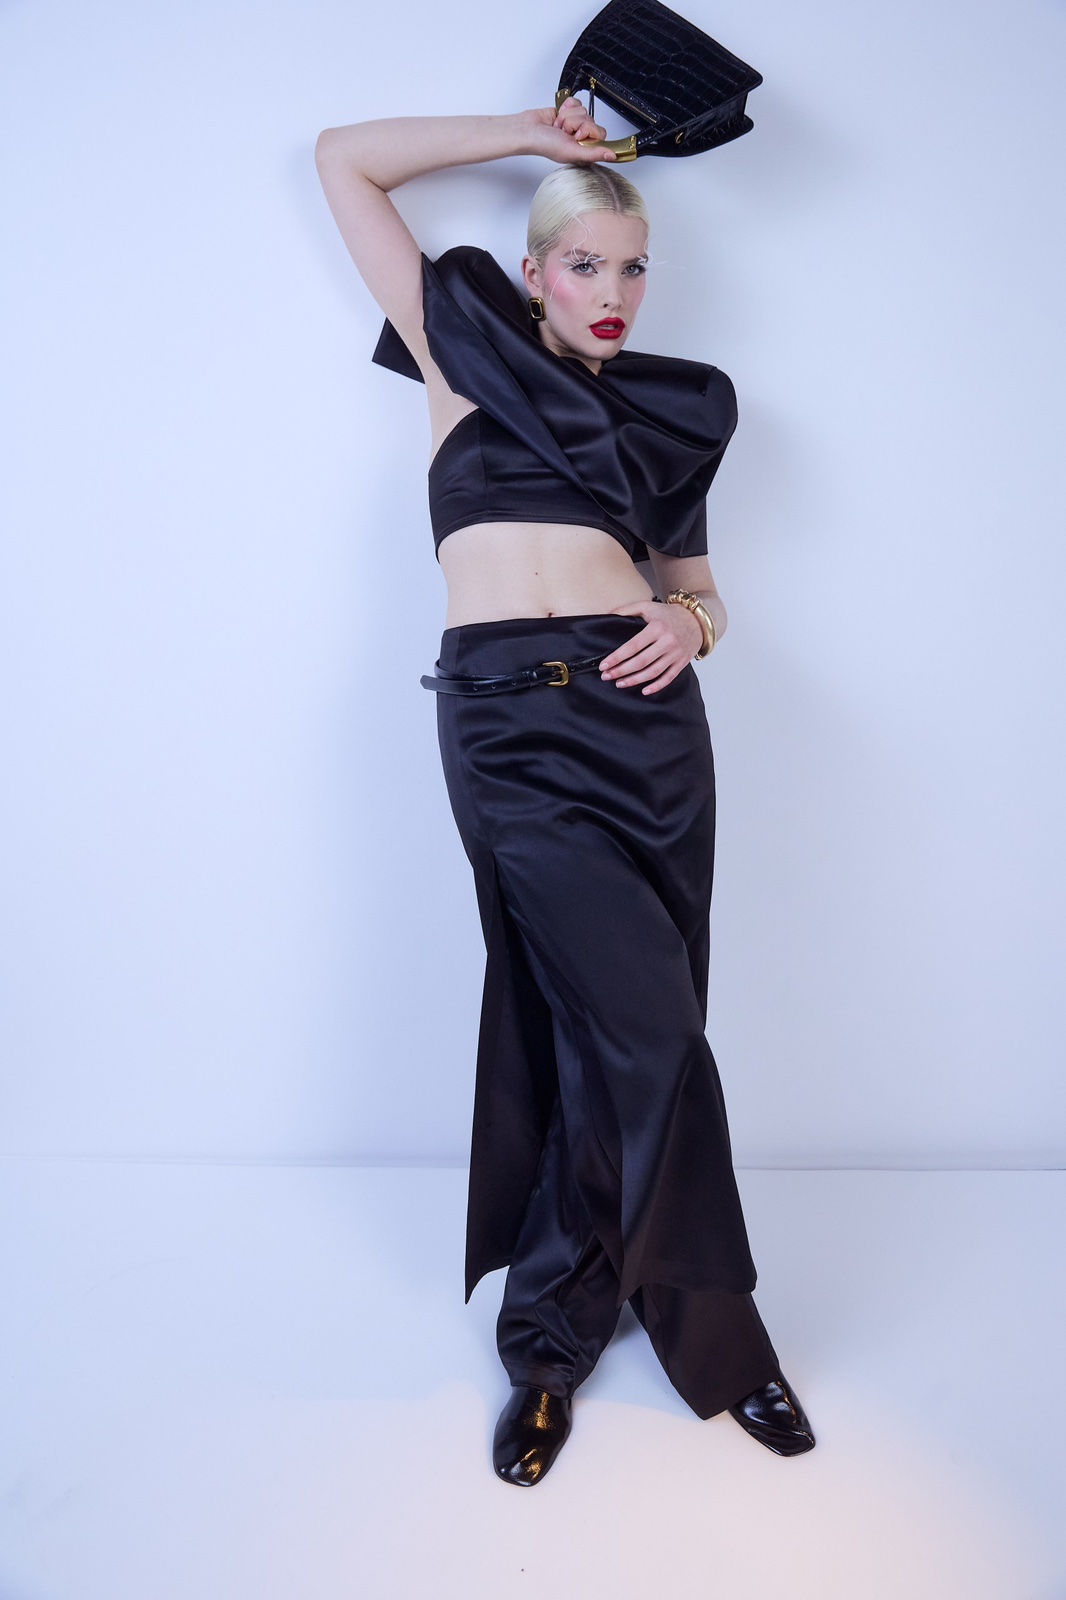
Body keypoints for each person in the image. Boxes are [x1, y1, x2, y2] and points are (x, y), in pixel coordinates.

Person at [315, 98, 815, 1485]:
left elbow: (701, 592)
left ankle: (551, 1346)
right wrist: (532, 138)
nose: (613, 291)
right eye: (585, 263)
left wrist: (690, 625)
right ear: (533, 272)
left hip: (644, 731)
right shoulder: (456, 346)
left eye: (633, 268)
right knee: (641, 1034)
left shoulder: (673, 413)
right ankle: (708, 1342)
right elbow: (343, 161)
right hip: (505, 734)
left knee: (630, 1036)